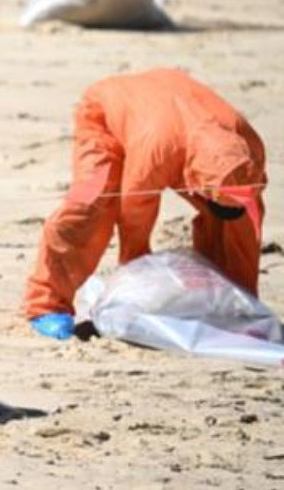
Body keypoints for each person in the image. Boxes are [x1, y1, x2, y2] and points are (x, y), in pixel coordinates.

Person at [23, 68, 267, 340]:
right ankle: (46, 304)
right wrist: (136, 277)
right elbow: (135, 208)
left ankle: (231, 308)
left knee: (233, 220)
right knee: (90, 206)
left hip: (171, 108)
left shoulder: (248, 145)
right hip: (107, 114)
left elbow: (246, 224)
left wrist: (247, 304)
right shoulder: (159, 149)